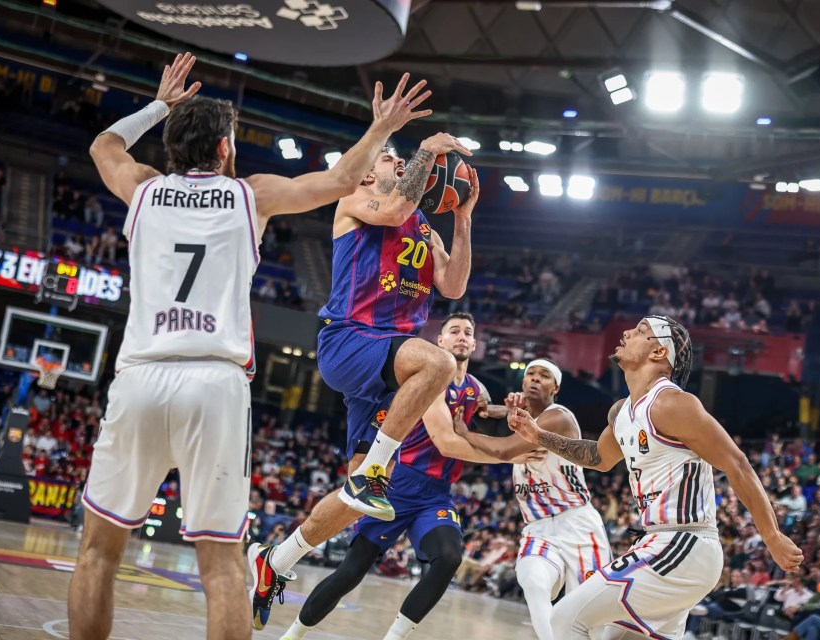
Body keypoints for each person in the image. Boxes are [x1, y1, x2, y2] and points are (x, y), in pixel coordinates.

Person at [66, 52, 431, 640]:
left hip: (139, 376)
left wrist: (160, 105)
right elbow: (341, 182)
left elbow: (104, 146)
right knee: (221, 567)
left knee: (98, 552)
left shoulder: (142, 188)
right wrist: (383, 129)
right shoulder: (250, 195)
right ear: (226, 151)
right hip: (215, 384)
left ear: (172, 146)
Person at [247, 96, 478, 628]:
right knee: (439, 364)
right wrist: (423, 150)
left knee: (355, 501)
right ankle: (376, 467)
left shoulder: (422, 222)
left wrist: (462, 219)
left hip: (387, 366)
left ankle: (275, 560)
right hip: (352, 339)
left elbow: (455, 284)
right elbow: (396, 207)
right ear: (368, 171)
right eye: (388, 159)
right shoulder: (354, 200)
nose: (396, 162)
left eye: (401, 158)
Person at [507, 315, 803, 639]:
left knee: (565, 619)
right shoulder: (622, 411)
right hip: (661, 544)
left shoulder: (672, 403)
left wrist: (772, 535)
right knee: (613, 637)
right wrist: (539, 436)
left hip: (683, 542)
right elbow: (599, 458)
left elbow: (737, 464)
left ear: (659, 353)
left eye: (641, 331)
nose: (626, 332)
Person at [279, 313, 535, 640]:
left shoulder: (476, 390)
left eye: (468, 332)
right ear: (439, 341)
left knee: (450, 556)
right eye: (453, 331)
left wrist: (511, 409)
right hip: (396, 485)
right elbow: (448, 443)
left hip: (435, 495)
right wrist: (507, 453)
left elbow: (486, 414)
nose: (461, 336)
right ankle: (293, 634)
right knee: (351, 571)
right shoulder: (430, 381)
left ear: (474, 344)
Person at [456, 359, 614, 640]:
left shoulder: (559, 417)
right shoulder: (525, 417)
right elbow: (513, 415)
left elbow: (504, 451)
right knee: (533, 580)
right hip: (538, 527)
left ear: (557, 388)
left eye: (544, 376)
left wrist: (465, 433)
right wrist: (491, 409)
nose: (535, 379)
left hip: (577, 524)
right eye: (530, 374)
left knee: (591, 619)